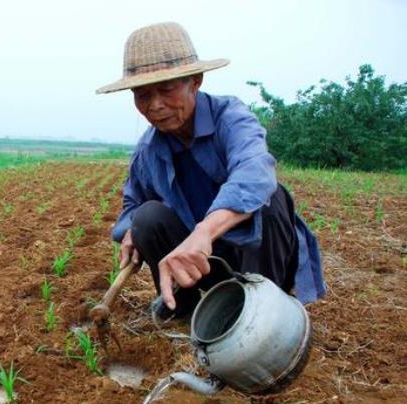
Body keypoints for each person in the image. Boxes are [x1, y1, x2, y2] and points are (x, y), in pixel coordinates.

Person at [96, 22, 325, 320]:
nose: (155, 106)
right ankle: (181, 306)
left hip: (254, 253)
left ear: (195, 81)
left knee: (271, 198)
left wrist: (204, 232)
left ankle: (265, 309)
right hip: (195, 264)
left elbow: (254, 174)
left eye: (166, 89)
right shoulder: (148, 150)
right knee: (146, 217)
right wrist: (130, 231)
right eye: (142, 95)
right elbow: (133, 202)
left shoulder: (231, 118)